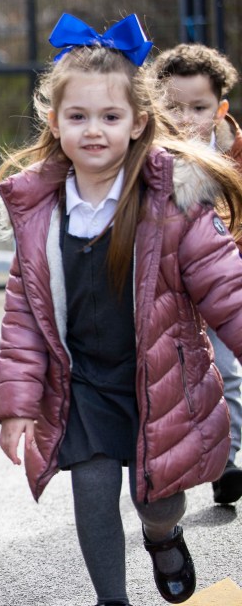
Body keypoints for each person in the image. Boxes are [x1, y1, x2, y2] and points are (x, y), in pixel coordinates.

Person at [0, 13, 242, 606]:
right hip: (84, 385)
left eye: (110, 117)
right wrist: (15, 405)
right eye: (77, 117)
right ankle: (112, 600)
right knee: (93, 491)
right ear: (55, 123)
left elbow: (226, 290)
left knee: (157, 498)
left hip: (160, 378)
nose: (94, 130)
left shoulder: (174, 202)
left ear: (138, 124)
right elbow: (23, 318)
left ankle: (164, 537)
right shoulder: (40, 212)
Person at [149, 42, 242, 505]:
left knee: (227, 369)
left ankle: (228, 460)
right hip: (172, 290)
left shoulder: (234, 157)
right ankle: (181, 460)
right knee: (180, 378)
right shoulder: (150, 158)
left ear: (220, 109)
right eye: (173, 107)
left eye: (199, 107)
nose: (186, 118)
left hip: (224, 281)